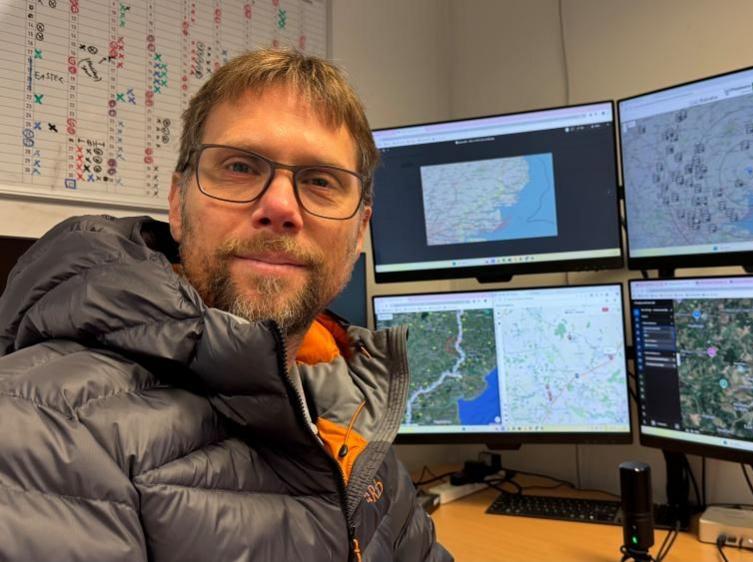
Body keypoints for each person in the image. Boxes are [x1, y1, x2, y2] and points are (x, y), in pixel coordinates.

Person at [0, 49, 451, 562]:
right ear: (177, 202)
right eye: (239, 166)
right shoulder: (38, 430)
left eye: (321, 181)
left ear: (359, 230)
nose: (280, 207)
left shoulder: (348, 416)